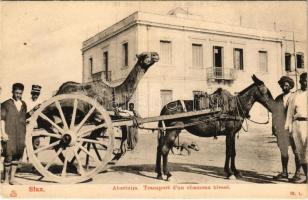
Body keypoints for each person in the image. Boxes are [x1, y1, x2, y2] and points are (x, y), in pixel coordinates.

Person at [272, 76, 301, 181]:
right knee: (283, 151)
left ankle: (297, 173)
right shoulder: (278, 98)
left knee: (297, 151)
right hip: (281, 128)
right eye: (283, 85)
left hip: (293, 128)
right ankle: (284, 172)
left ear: (290, 86)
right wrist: (273, 127)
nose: (284, 86)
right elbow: (274, 114)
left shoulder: (295, 97)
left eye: (286, 85)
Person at [0, 83, 27, 185]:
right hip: (9, 132)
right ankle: (5, 179)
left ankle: (12, 179)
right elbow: (1, 120)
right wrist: (3, 133)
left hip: (20, 133)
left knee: (17, 154)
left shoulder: (24, 104)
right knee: (8, 155)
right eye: (16, 93)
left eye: (20, 93)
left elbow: (24, 119)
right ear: (12, 92)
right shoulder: (5, 104)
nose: (18, 95)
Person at [285, 72, 307, 183]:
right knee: (300, 152)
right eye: (304, 80)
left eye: (307, 80)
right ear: (300, 82)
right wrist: (288, 128)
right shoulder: (294, 95)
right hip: (297, 125)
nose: (306, 82)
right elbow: (289, 113)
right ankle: (307, 178)